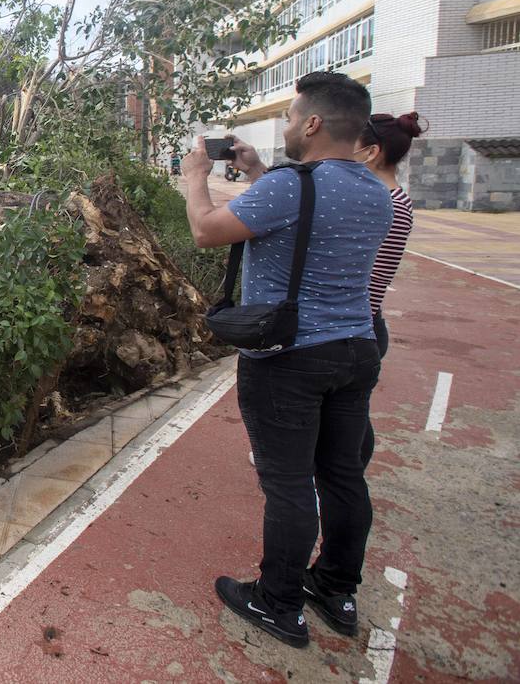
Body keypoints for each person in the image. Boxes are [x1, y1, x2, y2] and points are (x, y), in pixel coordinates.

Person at [181, 71, 392, 648]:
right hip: (357, 349)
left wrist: (195, 177)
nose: (290, 126)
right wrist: (255, 170)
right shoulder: (375, 190)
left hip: (290, 357)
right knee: (343, 476)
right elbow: (309, 206)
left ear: (315, 123)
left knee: (290, 483)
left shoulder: (293, 187)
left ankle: (278, 603)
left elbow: (206, 231)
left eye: (294, 118)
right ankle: (337, 590)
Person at [354, 112, 424, 465]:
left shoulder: (389, 206)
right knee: (347, 414)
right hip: (362, 326)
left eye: (353, 144)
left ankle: (344, 481)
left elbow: (368, 283)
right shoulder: (384, 200)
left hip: (359, 327)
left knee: (348, 421)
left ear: (372, 152)